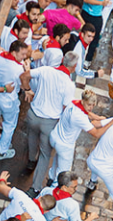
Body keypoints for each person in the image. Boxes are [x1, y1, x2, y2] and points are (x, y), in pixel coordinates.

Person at [21, 49, 78, 192]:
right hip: (50, 122)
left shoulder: (46, 70)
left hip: (34, 114)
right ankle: (34, 187)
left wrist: (27, 89)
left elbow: (24, 76)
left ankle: (30, 161)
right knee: (45, 154)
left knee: (32, 138)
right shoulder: (69, 85)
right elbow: (65, 108)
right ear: (74, 67)